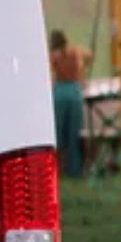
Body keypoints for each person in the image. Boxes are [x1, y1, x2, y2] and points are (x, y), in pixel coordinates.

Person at [48, 29, 91, 177]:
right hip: (74, 92)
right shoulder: (75, 51)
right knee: (73, 134)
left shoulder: (54, 55)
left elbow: (49, 73)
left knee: (57, 134)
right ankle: (74, 169)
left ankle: (56, 170)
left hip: (60, 92)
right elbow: (90, 56)